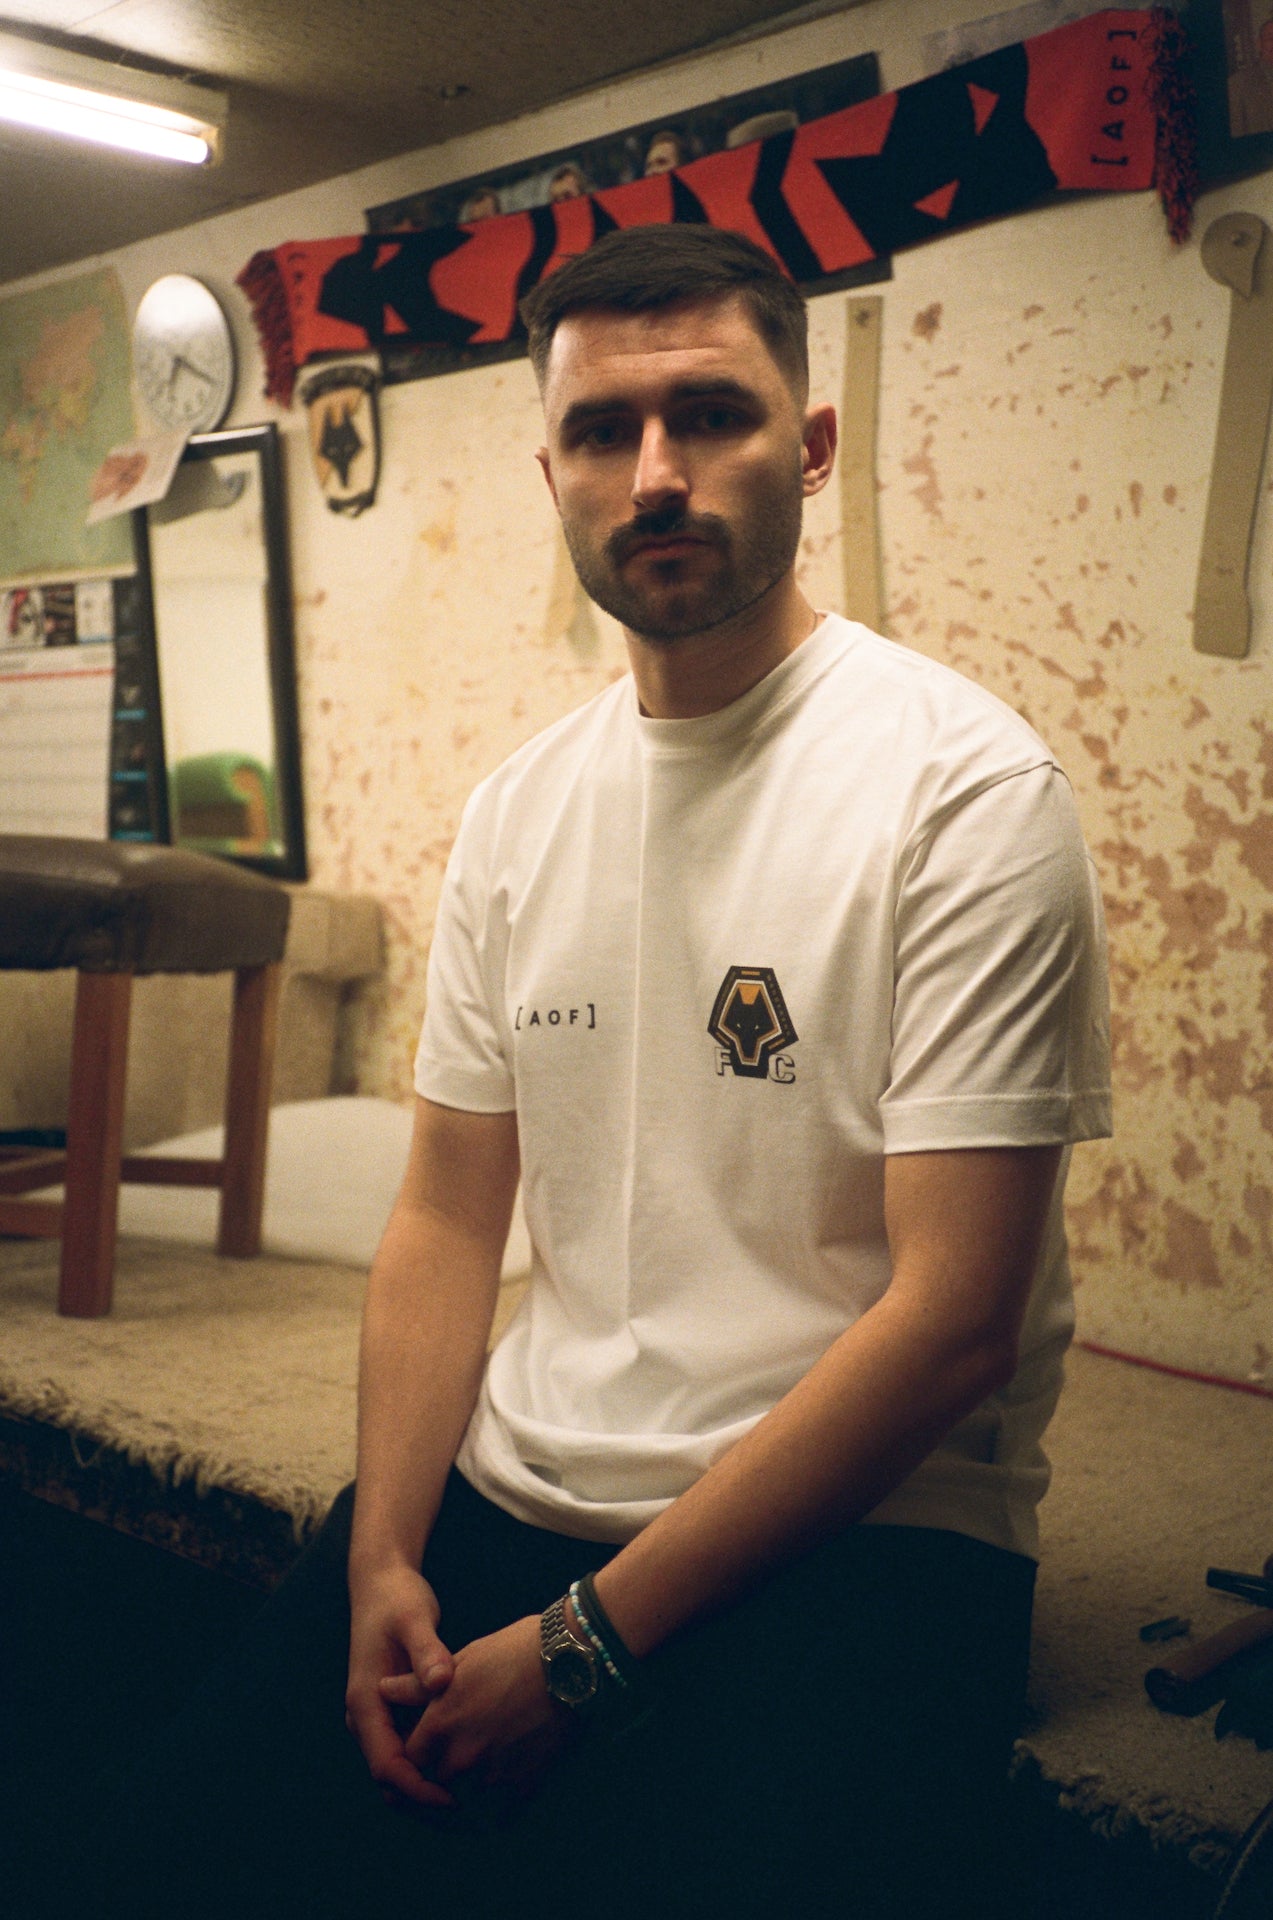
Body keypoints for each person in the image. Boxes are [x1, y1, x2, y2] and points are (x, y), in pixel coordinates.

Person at [37, 224, 1110, 1920]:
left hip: (874, 1535)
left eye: (713, 415)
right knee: (144, 1867)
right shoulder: (520, 814)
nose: (655, 473)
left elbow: (955, 1320)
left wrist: (583, 1649)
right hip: (518, 1486)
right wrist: (382, 1554)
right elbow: (445, 1221)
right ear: (553, 473)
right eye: (604, 432)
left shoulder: (965, 794)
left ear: (810, 447)